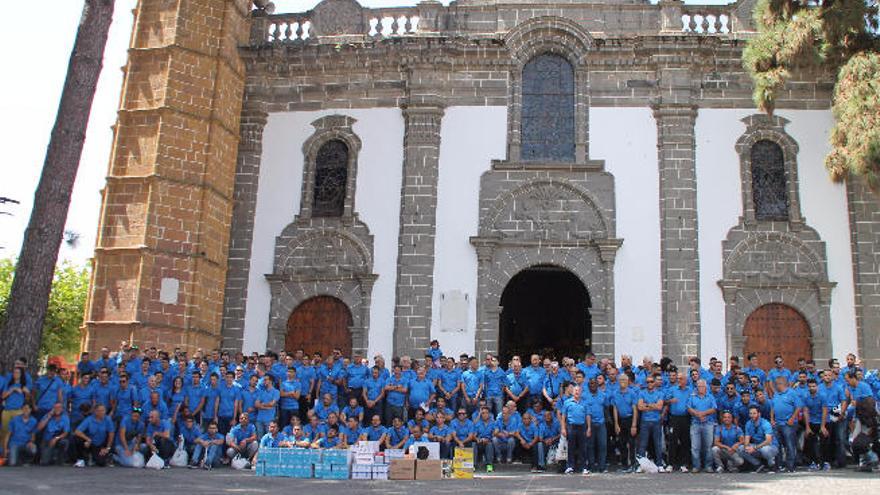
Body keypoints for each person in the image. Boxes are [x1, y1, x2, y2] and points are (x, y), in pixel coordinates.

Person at [769, 375, 801, 472]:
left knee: (790, 445)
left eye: (776, 384)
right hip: (777, 423)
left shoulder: (792, 393)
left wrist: (792, 418)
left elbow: (798, 406)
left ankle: (790, 466)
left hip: (788, 424)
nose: (775, 386)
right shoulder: (776, 394)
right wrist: (772, 419)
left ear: (781, 383)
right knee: (777, 445)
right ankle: (779, 465)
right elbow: (773, 407)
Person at [687, 379, 718, 473]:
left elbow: (714, 408)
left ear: (706, 387)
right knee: (695, 447)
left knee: (708, 446)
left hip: (708, 424)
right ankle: (696, 466)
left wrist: (703, 414)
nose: (700, 388)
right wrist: (697, 414)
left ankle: (708, 466)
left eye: (702, 386)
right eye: (698, 386)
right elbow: (689, 408)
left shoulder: (710, 397)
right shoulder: (692, 397)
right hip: (695, 423)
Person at [636, 374, 665, 471]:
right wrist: (653, 405)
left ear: (655, 383)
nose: (649, 383)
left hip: (656, 421)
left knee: (658, 444)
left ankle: (660, 464)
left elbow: (660, 407)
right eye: (647, 382)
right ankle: (640, 465)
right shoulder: (641, 393)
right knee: (643, 444)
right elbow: (640, 407)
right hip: (645, 421)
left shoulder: (660, 393)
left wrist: (647, 405)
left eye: (651, 381)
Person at [561, 385, 590, 475]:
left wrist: (589, 428)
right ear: (573, 392)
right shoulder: (567, 402)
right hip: (571, 426)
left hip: (582, 426)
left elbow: (588, 416)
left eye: (579, 390)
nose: (577, 392)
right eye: (575, 390)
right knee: (571, 447)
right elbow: (563, 416)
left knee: (583, 448)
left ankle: (584, 467)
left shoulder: (585, 403)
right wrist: (563, 428)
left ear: (581, 392)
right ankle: (570, 467)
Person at [742, 405, 778, 472]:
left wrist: (754, 448)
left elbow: (768, 441)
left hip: (771, 446)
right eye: (750, 413)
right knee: (741, 448)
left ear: (759, 414)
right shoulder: (748, 423)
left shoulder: (765, 423)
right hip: (757, 446)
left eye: (754, 413)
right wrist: (746, 447)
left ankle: (772, 465)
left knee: (765, 449)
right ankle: (758, 465)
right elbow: (747, 438)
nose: (752, 415)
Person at [1, 367, 30, 449]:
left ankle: (14, 452)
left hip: (18, 411)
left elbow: (28, 399)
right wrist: (12, 389)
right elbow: (3, 396)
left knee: (17, 433)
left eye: (17, 373)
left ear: (21, 375)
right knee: (4, 432)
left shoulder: (24, 385)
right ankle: (3, 452)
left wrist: (27, 393)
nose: (15, 374)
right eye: (14, 372)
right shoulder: (8, 384)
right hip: (7, 411)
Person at [473, 406, 496, 473]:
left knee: (490, 444)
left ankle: (489, 465)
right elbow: (473, 435)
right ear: (481, 414)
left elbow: (494, 434)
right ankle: (473, 465)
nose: (485, 415)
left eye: (486, 413)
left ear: (489, 414)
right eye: (483, 413)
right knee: (473, 444)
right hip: (479, 442)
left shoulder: (493, 423)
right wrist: (478, 439)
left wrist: (488, 439)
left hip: (488, 442)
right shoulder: (477, 423)